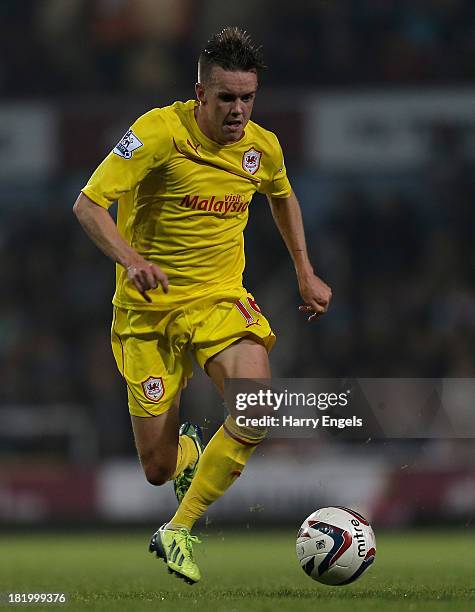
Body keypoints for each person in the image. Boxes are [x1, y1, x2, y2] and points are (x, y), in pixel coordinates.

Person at [73, 26, 331, 584]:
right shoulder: (157, 132)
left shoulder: (261, 147)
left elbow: (282, 196)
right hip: (149, 313)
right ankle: (187, 457)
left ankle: (179, 529)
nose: (238, 110)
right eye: (227, 98)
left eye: (247, 98)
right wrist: (131, 260)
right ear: (200, 94)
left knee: (257, 408)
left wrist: (304, 271)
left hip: (221, 302)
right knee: (156, 468)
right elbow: (89, 205)